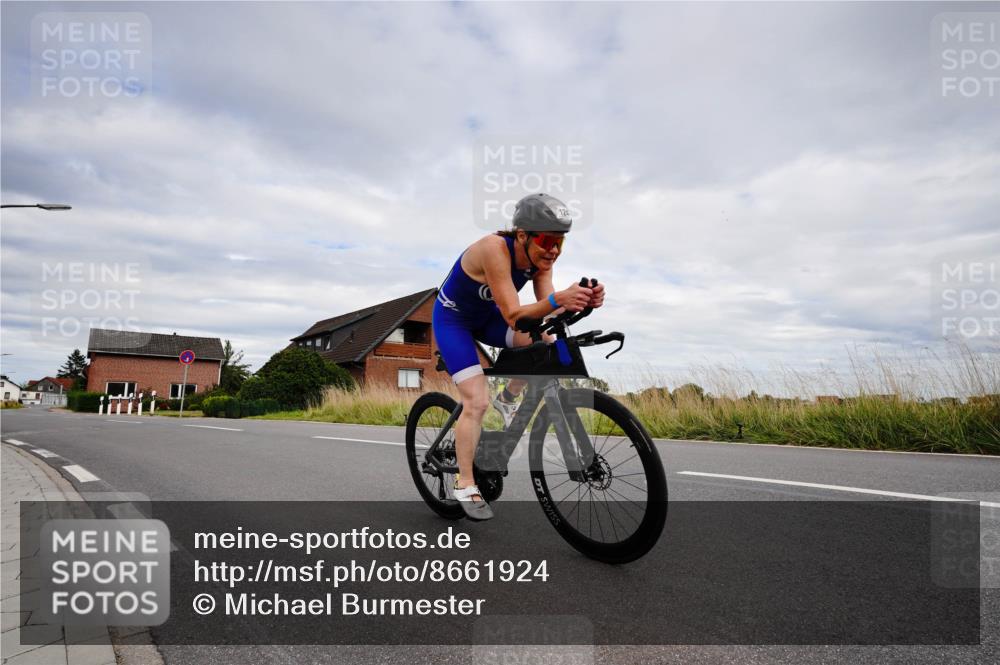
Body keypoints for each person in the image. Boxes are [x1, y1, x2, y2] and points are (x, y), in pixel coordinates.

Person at [432, 193, 605, 520]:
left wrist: (582, 300)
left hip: (490, 319)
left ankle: (509, 398)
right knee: (477, 401)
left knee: (545, 341)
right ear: (522, 235)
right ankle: (465, 482)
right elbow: (514, 314)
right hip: (454, 321)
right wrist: (560, 297)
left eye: (560, 243)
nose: (553, 250)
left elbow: (547, 309)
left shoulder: (541, 261)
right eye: (546, 240)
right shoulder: (493, 249)